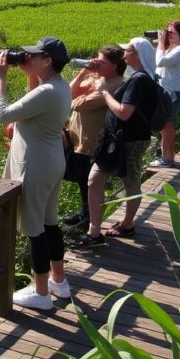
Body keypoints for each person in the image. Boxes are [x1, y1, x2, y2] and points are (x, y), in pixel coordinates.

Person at [0, 37, 72, 310]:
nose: (27, 58)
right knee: (49, 223)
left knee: (34, 229)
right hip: (52, 162)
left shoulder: (47, 91)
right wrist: (30, 74)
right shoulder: (58, 87)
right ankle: (58, 281)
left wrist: (1, 78)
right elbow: (31, 106)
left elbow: (2, 115)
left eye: (33, 56)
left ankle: (40, 293)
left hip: (36, 167)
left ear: (48, 60)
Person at [72, 37, 158, 250]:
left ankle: (125, 225)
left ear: (137, 54)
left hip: (130, 139)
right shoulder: (136, 77)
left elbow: (124, 112)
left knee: (130, 181)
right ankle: (95, 230)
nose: (124, 53)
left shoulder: (138, 79)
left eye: (127, 50)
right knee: (97, 180)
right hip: (120, 139)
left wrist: (103, 92)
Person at [63, 46, 126, 228]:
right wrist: (84, 73)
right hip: (79, 138)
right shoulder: (100, 80)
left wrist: (83, 92)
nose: (96, 65)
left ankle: (89, 221)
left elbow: (78, 104)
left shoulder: (114, 85)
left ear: (114, 66)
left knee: (88, 182)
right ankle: (85, 214)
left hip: (92, 141)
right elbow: (71, 91)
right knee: (83, 182)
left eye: (101, 62)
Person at [151, 20, 180, 168]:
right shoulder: (173, 47)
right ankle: (164, 155)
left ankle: (167, 159)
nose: (169, 35)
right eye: (168, 33)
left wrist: (161, 43)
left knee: (167, 125)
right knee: (164, 125)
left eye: (171, 33)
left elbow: (160, 62)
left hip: (173, 91)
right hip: (166, 90)